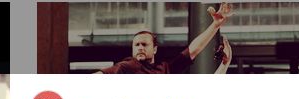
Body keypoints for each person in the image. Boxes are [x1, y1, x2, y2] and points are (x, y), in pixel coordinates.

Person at [95, 4, 234, 74]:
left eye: (144, 44)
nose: (140, 47)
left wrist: (215, 25)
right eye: (136, 45)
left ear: (155, 49)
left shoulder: (165, 69)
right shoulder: (128, 66)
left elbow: (193, 49)